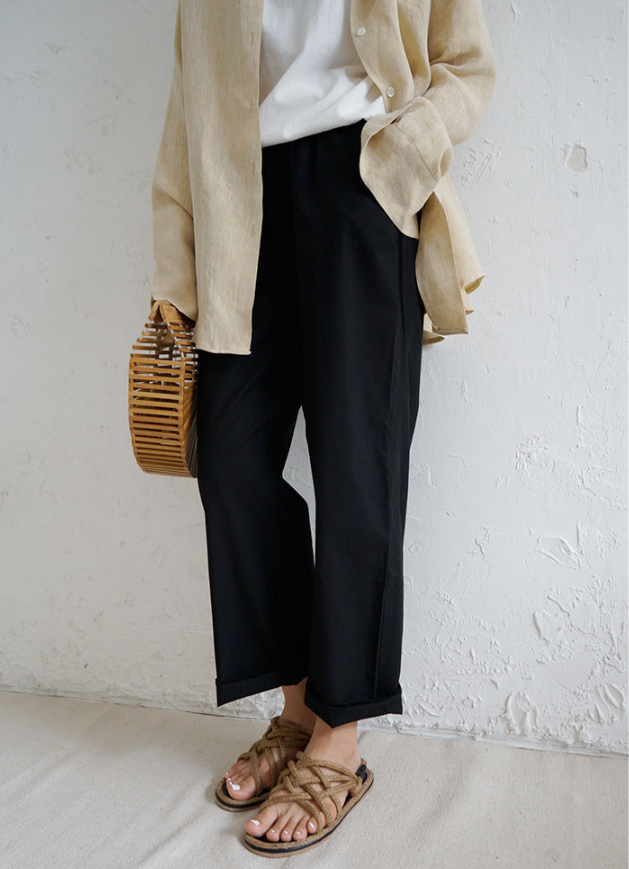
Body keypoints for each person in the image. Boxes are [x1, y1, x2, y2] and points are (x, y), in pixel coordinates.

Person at [149, 0, 496, 857]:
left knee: (357, 471)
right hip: (238, 202)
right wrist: (174, 273)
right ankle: (298, 711)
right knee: (231, 460)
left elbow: (466, 66)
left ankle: (339, 738)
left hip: (362, 184)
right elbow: (188, 110)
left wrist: (401, 157)